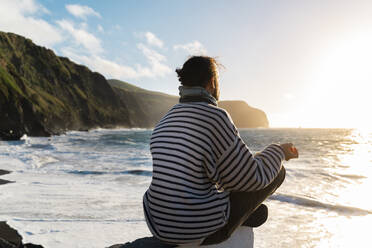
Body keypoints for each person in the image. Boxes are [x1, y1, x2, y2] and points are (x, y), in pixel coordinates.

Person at [143, 56, 299, 246]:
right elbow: (252, 178)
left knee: (231, 172)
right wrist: (279, 151)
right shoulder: (216, 116)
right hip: (194, 231)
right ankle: (243, 216)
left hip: (159, 224)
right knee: (276, 171)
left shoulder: (164, 121)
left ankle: (245, 215)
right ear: (212, 82)